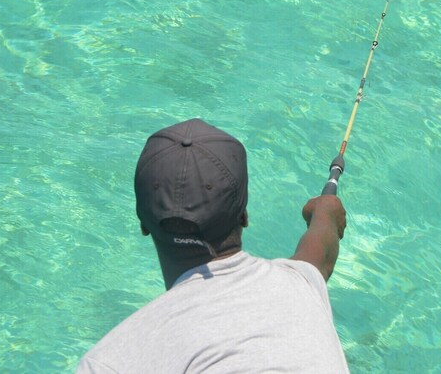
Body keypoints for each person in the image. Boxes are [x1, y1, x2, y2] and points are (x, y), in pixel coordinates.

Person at [76, 118, 350, 373]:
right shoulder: (301, 283)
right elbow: (321, 249)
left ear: (143, 224)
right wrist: (324, 211)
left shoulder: (109, 363)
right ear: (243, 216)